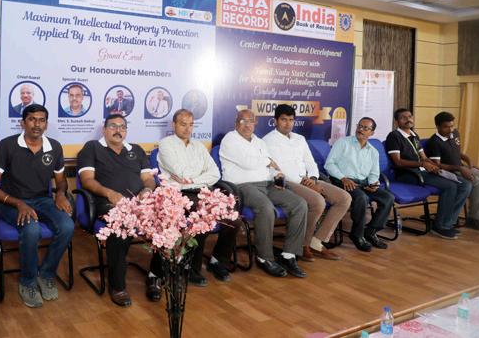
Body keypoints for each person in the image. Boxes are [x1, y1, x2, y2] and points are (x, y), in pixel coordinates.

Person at [0, 104, 74, 308]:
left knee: (67, 226)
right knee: (32, 229)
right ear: (22, 123)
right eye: (32, 119)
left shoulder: (54, 147)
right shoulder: (7, 146)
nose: (37, 124)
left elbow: (61, 181)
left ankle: (46, 274)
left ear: (46, 124)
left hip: (42, 200)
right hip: (12, 201)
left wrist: (60, 194)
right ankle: (28, 281)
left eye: (42, 120)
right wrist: (19, 203)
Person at [77, 114, 157, 307]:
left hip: (139, 203)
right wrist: (109, 193)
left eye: (122, 127)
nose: (118, 130)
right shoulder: (92, 148)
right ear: (104, 129)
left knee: (166, 222)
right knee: (121, 227)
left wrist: (147, 190)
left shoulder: (136, 150)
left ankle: (155, 277)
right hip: (107, 202)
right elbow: (87, 180)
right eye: (113, 126)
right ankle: (118, 285)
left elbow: (148, 179)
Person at [219, 109, 308, 278]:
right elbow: (248, 163)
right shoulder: (229, 140)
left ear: (255, 123)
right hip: (242, 186)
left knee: (299, 204)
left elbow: (271, 167)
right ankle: (264, 257)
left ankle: (288, 255)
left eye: (251, 121)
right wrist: (268, 161)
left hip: (266, 184)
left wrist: (277, 174)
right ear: (236, 123)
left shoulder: (259, 142)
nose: (247, 125)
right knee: (266, 207)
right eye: (243, 121)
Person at [157, 109, 241, 286]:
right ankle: (191, 267)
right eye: (183, 124)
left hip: (204, 190)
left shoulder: (199, 146)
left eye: (191, 125)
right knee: (202, 218)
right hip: (181, 194)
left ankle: (217, 261)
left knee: (233, 219)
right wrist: (198, 175)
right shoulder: (166, 144)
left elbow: (214, 173)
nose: (187, 129)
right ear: (174, 125)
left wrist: (192, 179)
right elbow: (181, 172)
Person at [263, 104, 351, 261]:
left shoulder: (299, 139)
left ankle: (317, 241)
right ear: (275, 121)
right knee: (318, 202)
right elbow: (275, 170)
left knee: (344, 198)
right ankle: (303, 245)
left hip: (308, 180)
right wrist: (305, 183)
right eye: (283, 120)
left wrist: (313, 179)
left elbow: (310, 163)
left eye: (291, 120)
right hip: (287, 182)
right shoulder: (267, 141)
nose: (288, 124)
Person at [385, 108, 470, 239]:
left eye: (410, 116)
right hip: (407, 174)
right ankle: (440, 226)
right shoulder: (394, 136)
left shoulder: (414, 135)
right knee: (450, 186)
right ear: (396, 122)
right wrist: (422, 164)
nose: (408, 119)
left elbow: (423, 157)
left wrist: (433, 165)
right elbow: (398, 162)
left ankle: (448, 222)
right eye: (403, 118)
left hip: (423, 171)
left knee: (464, 184)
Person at [325, 117, 395, 251]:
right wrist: (343, 178)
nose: (360, 130)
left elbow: (374, 173)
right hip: (342, 181)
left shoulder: (373, 151)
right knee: (361, 197)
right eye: (359, 126)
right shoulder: (343, 143)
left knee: (388, 198)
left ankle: (371, 232)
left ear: (372, 133)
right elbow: (329, 164)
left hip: (363, 183)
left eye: (365, 128)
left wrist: (373, 184)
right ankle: (357, 234)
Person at [425, 111, 479, 231]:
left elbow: (457, 152)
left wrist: (469, 163)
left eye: (452, 126)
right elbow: (437, 165)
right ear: (438, 127)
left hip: (461, 167)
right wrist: (460, 168)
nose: (450, 130)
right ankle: (474, 219)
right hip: (451, 171)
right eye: (446, 127)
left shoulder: (455, 133)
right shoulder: (434, 142)